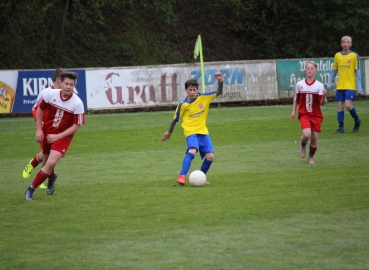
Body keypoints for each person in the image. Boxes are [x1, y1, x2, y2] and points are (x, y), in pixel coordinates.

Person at [25, 72, 85, 200]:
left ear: (74, 86)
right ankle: (52, 177)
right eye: (66, 84)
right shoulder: (49, 94)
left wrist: (58, 137)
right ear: (60, 83)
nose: (69, 87)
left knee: (51, 162)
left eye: (72, 84)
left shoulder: (77, 103)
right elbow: (39, 109)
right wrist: (39, 130)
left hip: (63, 136)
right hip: (47, 132)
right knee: (47, 163)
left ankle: (30, 190)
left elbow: (76, 126)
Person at [162, 72, 223, 185]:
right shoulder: (183, 104)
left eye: (194, 89)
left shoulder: (204, 98)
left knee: (210, 156)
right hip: (191, 132)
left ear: (197, 89)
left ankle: (200, 177)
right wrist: (169, 132)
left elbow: (219, 92)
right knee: (192, 151)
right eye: (190, 90)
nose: (192, 92)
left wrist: (220, 81)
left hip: (203, 132)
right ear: (186, 90)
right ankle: (182, 176)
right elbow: (175, 119)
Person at [22, 68, 67, 189]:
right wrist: (40, 126)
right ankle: (41, 176)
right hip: (46, 129)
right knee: (48, 156)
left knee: (48, 155)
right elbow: (35, 109)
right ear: (58, 80)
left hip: (58, 131)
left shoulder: (65, 95)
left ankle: (33, 164)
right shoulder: (46, 92)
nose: (67, 84)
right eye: (65, 81)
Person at [290, 61, 327, 164]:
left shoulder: (319, 85)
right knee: (307, 134)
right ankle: (302, 145)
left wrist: (324, 96)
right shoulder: (300, 84)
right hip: (304, 114)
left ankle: (311, 157)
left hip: (316, 115)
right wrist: (293, 111)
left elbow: (322, 103)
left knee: (315, 137)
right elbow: (296, 99)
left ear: (316, 71)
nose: (309, 70)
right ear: (305, 71)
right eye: (308, 68)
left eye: (312, 68)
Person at [327, 35, 362, 134]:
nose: (345, 44)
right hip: (340, 85)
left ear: (350, 44)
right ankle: (341, 128)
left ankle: (357, 120)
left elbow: (357, 72)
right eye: (343, 42)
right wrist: (330, 83)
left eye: (347, 42)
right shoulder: (337, 55)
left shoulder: (354, 56)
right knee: (339, 106)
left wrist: (359, 88)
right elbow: (334, 70)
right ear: (341, 44)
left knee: (348, 105)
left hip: (350, 85)